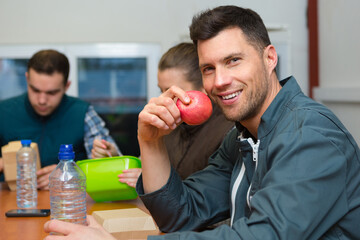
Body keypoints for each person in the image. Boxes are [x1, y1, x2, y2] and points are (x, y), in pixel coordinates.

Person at [44, 5, 360, 240]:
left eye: (233, 60)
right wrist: (150, 142)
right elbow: (183, 215)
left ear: (270, 57)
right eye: (208, 68)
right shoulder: (242, 138)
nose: (220, 81)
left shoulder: (310, 135)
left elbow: (266, 236)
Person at [0, 49, 120, 190]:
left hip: (69, 204)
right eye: (35, 90)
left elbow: (116, 170)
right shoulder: (3, 111)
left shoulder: (83, 112)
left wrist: (69, 174)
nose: (42, 100)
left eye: (52, 92)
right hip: (12, 203)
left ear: (66, 86)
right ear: (27, 79)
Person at [118, 42, 234, 187]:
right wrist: (116, 158)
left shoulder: (229, 133)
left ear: (203, 87)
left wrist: (150, 181)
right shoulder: (166, 128)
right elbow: (141, 167)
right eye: (162, 91)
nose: (165, 98)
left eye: (174, 91)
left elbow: (211, 197)